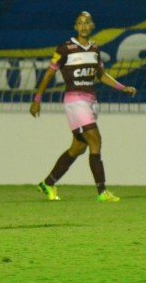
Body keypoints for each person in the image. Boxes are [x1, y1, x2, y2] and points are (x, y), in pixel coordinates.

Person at [30, 11, 137, 202]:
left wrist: (122, 87)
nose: (84, 26)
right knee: (96, 140)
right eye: (80, 23)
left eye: (87, 22)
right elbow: (48, 74)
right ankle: (102, 192)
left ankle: (48, 183)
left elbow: (101, 75)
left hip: (90, 101)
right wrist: (37, 100)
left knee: (78, 148)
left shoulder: (95, 49)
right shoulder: (65, 49)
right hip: (75, 101)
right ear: (75, 27)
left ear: (93, 26)